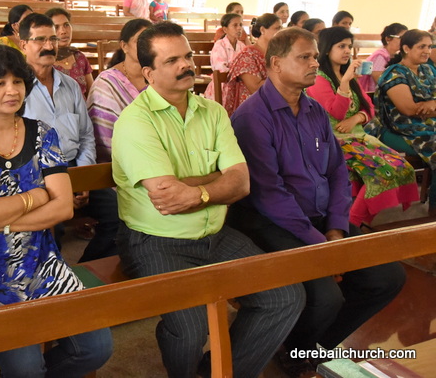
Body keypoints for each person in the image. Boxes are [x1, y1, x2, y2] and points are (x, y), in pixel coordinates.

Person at [112, 22, 304, 378]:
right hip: (157, 240)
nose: (186, 65)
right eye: (172, 61)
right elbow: (168, 198)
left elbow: (241, 183)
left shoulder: (212, 112)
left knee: (285, 296)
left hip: (215, 235)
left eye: (187, 56)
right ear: (149, 73)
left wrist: (196, 190)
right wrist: (217, 180)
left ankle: (221, 372)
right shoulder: (135, 122)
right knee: (189, 330)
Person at [229, 28, 406, 376]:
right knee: (326, 297)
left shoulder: (313, 110)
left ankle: (308, 347)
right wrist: (320, 243)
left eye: (314, 56)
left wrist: (337, 227)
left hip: (321, 218)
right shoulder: (252, 117)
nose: (314, 63)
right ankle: (294, 350)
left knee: (387, 277)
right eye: (304, 57)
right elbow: (269, 194)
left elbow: (337, 172)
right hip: (270, 221)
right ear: (276, 64)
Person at [0, 45, 113, 377]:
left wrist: (3, 224)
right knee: (26, 366)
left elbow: (63, 207)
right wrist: (35, 196)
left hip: (40, 258)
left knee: (96, 348)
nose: (12, 91)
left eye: (18, 81)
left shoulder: (42, 133)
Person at [21, 13, 117, 261]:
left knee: (119, 213)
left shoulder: (71, 86)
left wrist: (84, 177)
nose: (49, 46)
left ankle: (86, 269)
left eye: (52, 39)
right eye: (40, 40)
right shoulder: (17, 89)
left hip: (74, 168)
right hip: (37, 175)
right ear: (23, 45)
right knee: (52, 226)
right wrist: (58, 186)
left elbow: (86, 136)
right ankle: (54, 275)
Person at [308, 27, 417, 225]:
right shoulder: (319, 78)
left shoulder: (347, 75)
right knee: (379, 173)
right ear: (326, 49)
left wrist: (357, 118)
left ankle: (357, 222)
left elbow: (369, 108)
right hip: (333, 140)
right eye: (341, 46)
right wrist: (345, 83)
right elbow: (337, 113)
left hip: (359, 137)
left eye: (349, 46)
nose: (347, 51)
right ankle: (352, 224)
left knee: (402, 167)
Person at [366, 30, 436, 214]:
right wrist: (429, 105)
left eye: (429, 46)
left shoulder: (428, 70)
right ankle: (433, 214)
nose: (427, 51)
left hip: (428, 125)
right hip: (398, 129)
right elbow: (409, 110)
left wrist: (432, 104)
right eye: (422, 46)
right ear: (406, 48)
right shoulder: (394, 74)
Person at [87, 18, 151, 163]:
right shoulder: (106, 83)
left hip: (158, 155)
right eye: (140, 41)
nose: (146, 46)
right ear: (124, 46)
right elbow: (103, 132)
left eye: (150, 41)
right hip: (116, 162)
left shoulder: (159, 77)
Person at [222, 13, 282, 116]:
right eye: (277, 28)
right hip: (251, 110)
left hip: (273, 106)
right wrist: (285, 79)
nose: (281, 32)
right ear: (262, 30)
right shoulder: (247, 55)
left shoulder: (279, 54)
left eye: (281, 28)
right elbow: (255, 88)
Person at [47, 7, 94, 98]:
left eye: (66, 25)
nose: (63, 31)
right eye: (56, 27)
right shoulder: (46, 61)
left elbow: (92, 94)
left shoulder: (79, 57)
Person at [204, 13, 246, 100]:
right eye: (235, 25)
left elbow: (246, 66)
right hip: (222, 86)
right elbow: (220, 69)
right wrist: (238, 73)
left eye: (240, 25)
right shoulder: (220, 45)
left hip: (239, 86)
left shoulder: (242, 46)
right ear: (225, 29)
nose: (239, 28)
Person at [358, 22, 407, 94]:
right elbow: (380, 80)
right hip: (374, 95)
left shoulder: (395, 56)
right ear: (388, 39)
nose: (405, 41)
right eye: (401, 38)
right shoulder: (380, 56)